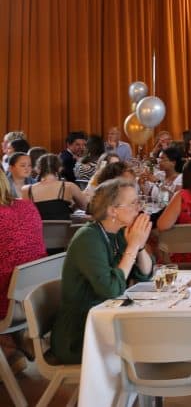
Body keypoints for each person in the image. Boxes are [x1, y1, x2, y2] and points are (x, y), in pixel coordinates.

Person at [52, 178, 153, 364]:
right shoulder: (88, 238)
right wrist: (132, 246)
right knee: (151, 339)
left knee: (156, 333)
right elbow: (111, 289)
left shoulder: (118, 232)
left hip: (108, 319)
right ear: (112, 210)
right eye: (133, 203)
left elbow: (146, 274)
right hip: (81, 332)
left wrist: (139, 246)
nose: (138, 208)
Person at [0, 170, 46, 373]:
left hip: (7, 302)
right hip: (35, 297)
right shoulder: (28, 207)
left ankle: (9, 349)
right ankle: (15, 343)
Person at [22, 154, 87, 222]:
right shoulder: (70, 186)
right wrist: (73, 207)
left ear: (38, 169)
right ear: (60, 169)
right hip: (64, 228)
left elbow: (26, 215)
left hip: (37, 228)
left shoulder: (26, 189)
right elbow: (85, 207)